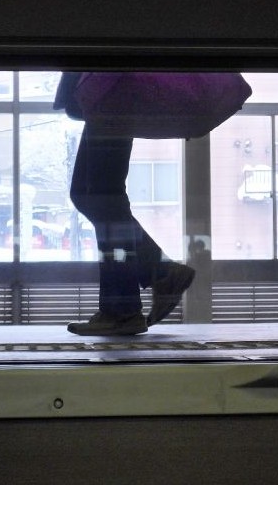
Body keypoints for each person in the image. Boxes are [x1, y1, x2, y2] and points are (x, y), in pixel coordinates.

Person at [53, 72, 248, 336]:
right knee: (93, 194)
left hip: (112, 88)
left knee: (100, 194)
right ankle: (153, 279)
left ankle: (125, 307)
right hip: (111, 89)